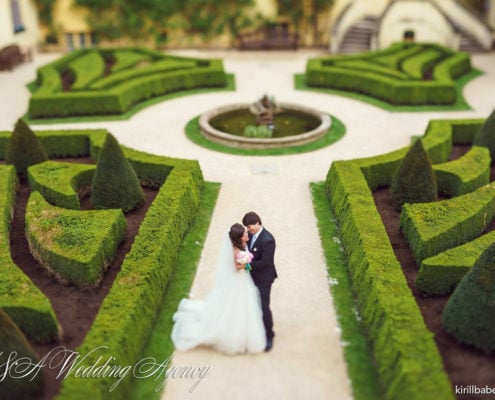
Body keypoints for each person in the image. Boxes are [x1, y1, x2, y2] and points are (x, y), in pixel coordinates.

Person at [171, 223, 266, 354]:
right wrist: (247, 262)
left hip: (243, 280)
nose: (247, 235)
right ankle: (232, 335)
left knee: (246, 303)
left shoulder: (241, 246)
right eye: (244, 234)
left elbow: (244, 266)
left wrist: (248, 265)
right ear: (239, 238)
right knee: (235, 305)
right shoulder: (236, 251)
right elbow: (237, 268)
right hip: (237, 281)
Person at [242, 211, 277, 351]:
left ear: (258, 222)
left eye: (250, 226)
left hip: (264, 279)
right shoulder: (249, 235)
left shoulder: (268, 240)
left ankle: (269, 335)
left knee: (263, 307)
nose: (249, 229)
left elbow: (265, 262)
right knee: (250, 304)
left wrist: (247, 265)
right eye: (247, 227)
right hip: (251, 277)